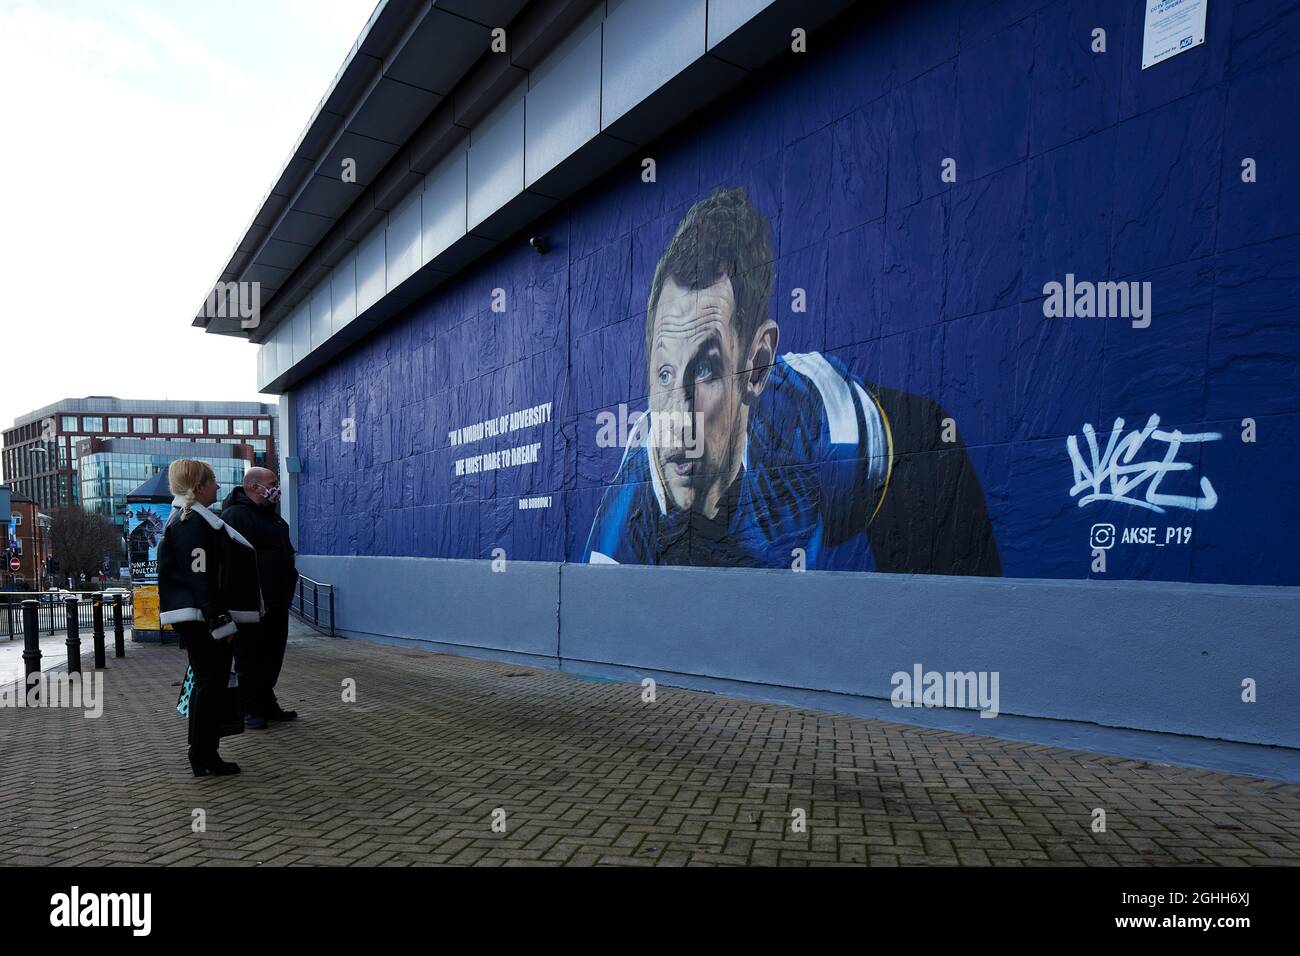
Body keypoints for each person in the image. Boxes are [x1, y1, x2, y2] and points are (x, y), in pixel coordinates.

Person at [583, 186, 1001, 575]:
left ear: (758, 366)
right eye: (665, 373)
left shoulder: (825, 435)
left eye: (706, 370)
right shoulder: (627, 518)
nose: (679, 416)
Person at [157, 460, 263, 776]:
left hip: (200, 617)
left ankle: (203, 752)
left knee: (208, 684)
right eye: (212, 481)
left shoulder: (188, 520)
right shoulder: (192, 523)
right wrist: (219, 621)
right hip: (204, 620)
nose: (217, 486)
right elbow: (200, 578)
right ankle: (204, 756)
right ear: (199, 485)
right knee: (210, 685)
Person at [221, 467, 300, 728]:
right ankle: (249, 707)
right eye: (273, 483)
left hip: (276, 602)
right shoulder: (236, 516)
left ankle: (267, 702)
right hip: (252, 604)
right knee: (249, 656)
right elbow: (232, 560)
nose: (277, 487)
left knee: (272, 655)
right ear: (254, 487)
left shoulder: (274, 519)